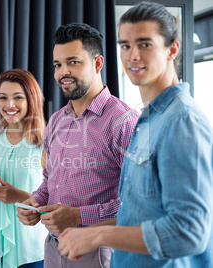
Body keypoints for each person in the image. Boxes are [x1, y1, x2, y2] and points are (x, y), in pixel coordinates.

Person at [58, 2, 213, 267]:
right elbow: (136, 214)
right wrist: (86, 230)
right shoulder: (149, 119)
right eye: (125, 46)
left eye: (145, 44)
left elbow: (189, 232)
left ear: (172, 49)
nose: (132, 56)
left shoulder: (182, 121)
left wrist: (98, 235)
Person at [17, 22, 139, 268]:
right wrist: (36, 201)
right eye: (58, 65)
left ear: (97, 64)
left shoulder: (123, 122)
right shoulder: (56, 120)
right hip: (53, 247)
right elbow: (51, 177)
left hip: (97, 252)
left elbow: (139, 202)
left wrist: (79, 216)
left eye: (73, 62)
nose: (63, 72)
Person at [0, 69, 48, 268]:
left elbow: (55, 206)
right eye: (3, 97)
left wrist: (16, 195)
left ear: (31, 100)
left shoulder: (46, 145)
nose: (9, 105)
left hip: (31, 255)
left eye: (18, 97)